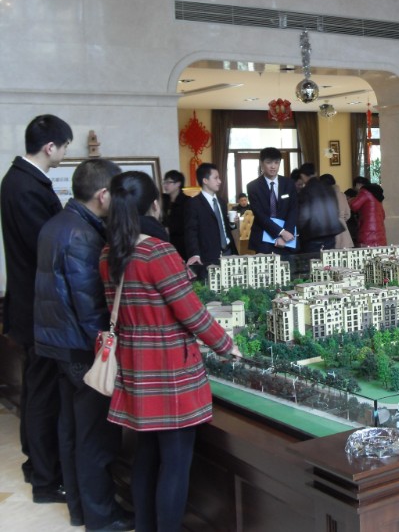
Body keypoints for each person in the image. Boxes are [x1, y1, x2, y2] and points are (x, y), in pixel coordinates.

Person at [99, 171, 242, 532]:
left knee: (146, 456)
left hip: (133, 362)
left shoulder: (109, 251)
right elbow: (191, 312)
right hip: (168, 367)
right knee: (176, 464)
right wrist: (227, 345)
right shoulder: (157, 251)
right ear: (154, 204)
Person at [34, 159, 134, 530]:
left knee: (71, 432)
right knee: (94, 438)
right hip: (81, 349)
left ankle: (80, 510)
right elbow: (90, 307)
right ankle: (101, 517)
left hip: (57, 343)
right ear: (103, 195)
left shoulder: (57, 223)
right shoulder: (83, 235)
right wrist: (107, 350)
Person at [0, 114, 72, 500]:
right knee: (43, 395)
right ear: (50, 147)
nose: (65, 153)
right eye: (65, 146)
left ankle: (35, 466)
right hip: (37, 308)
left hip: (30, 305)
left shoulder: (19, 179)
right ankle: (46, 479)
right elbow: (46, 247)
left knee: (36, 390)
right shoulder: (26, 185)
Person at [184, 163, 237, 280]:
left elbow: (222, 227)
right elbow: (191, 231)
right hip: (209, 255)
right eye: (216, 178)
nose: (220, 181)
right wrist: (194, 254)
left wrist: (232, 224)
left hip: (229, 251)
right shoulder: (194, 204)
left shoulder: (222, 202)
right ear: (205, 180)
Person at [247, 147, 298, 255]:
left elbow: (293, 209)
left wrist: (286, 233)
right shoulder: (253, 187)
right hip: (263, 238)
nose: (273, 166)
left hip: (287, 239)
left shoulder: (289, 183)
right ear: (261, 163)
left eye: (276, 162)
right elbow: (260, 215)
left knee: (288, 265)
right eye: (269, 162)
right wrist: (281, 232)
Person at [296, 163, 344, 253]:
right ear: (316, 173)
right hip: (331, 233)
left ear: (302, 175)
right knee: (328, 260)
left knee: (313, 261)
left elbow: (304, 216)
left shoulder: (306, 191)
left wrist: (297, 232)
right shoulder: (329, 188)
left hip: (313, 235)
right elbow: (336, 210)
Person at [349, 176, 387, 247]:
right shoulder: (377, 195)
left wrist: (350, 200)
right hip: (380, 234)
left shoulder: (364, 192)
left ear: (358, 184)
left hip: (367, 233)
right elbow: (383, 215)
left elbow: (354, 206)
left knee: (367, 253)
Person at [320, 173, 355, 248]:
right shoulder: (342, 195)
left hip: (329, 231)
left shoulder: (323, 196)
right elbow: (348, 214)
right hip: (343, 230)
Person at [161, 169, 189, 257]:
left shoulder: (187, 201)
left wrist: (169, 229)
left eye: (168, 182)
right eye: (164, 182)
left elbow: (187, 224)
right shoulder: (163, 199)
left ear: (178, 184)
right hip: (164, 242)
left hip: (181, 244)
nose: (165, 185)